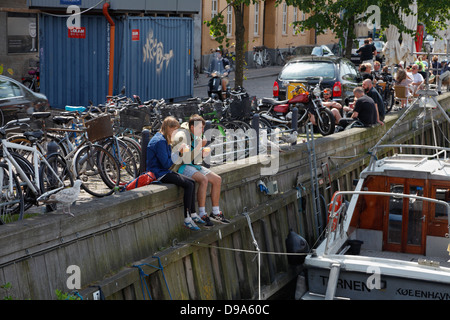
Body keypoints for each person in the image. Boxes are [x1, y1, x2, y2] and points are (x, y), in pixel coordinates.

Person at [172, 114, 230, 225]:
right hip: (182, 167)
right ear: (192, 127)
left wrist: (203, 154)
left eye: (203, 128)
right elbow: (186, 159)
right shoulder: (183, 136)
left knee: (217, 179)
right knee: (203, 180)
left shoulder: (197, 136)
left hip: (192, 165)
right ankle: (203, 214)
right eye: (201, 128)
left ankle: (216, 212)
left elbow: (195, 159)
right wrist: (199, 147)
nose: (203, 130)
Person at [146, 116, 202, 231]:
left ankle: (193, 214)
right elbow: (166, 164)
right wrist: (179, 152)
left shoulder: (163, 138)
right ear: (168, 128)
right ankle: (187, 219)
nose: (176, 133)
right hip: (159, 173)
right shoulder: (160, 141)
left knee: (191, 181)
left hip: (164, 171)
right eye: (175, 130)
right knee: (189, 184)